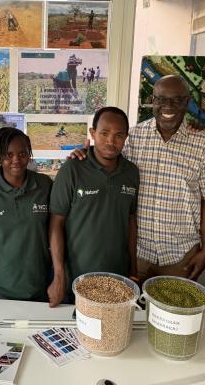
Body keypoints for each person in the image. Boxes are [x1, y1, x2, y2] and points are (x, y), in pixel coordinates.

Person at [70, 75, 205, 283]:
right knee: (131, 313)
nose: (168, 106)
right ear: (152, 101)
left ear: (187, 102)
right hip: (134, 253)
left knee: (172, 313)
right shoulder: (132, 137)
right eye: (161, 99)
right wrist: (85, 154)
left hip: (181, 255)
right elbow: (107, 157)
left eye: (176, 100)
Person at [48, 107, 140, 306]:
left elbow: (131, 220)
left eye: (119, 135)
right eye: (104, 133)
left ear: (126, 137)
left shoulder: (131, 173)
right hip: (77, 278)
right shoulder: (72, 169)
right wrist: (58, 275)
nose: (111, 141)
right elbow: (56, 223)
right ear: (92, 133)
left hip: (117, 279)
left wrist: (133, 267)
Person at [0, 127, 53, 300]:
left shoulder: (45, 185)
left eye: (22, 153)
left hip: (39, 285)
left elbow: (55, 229)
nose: (16, 160)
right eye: (8, 154)